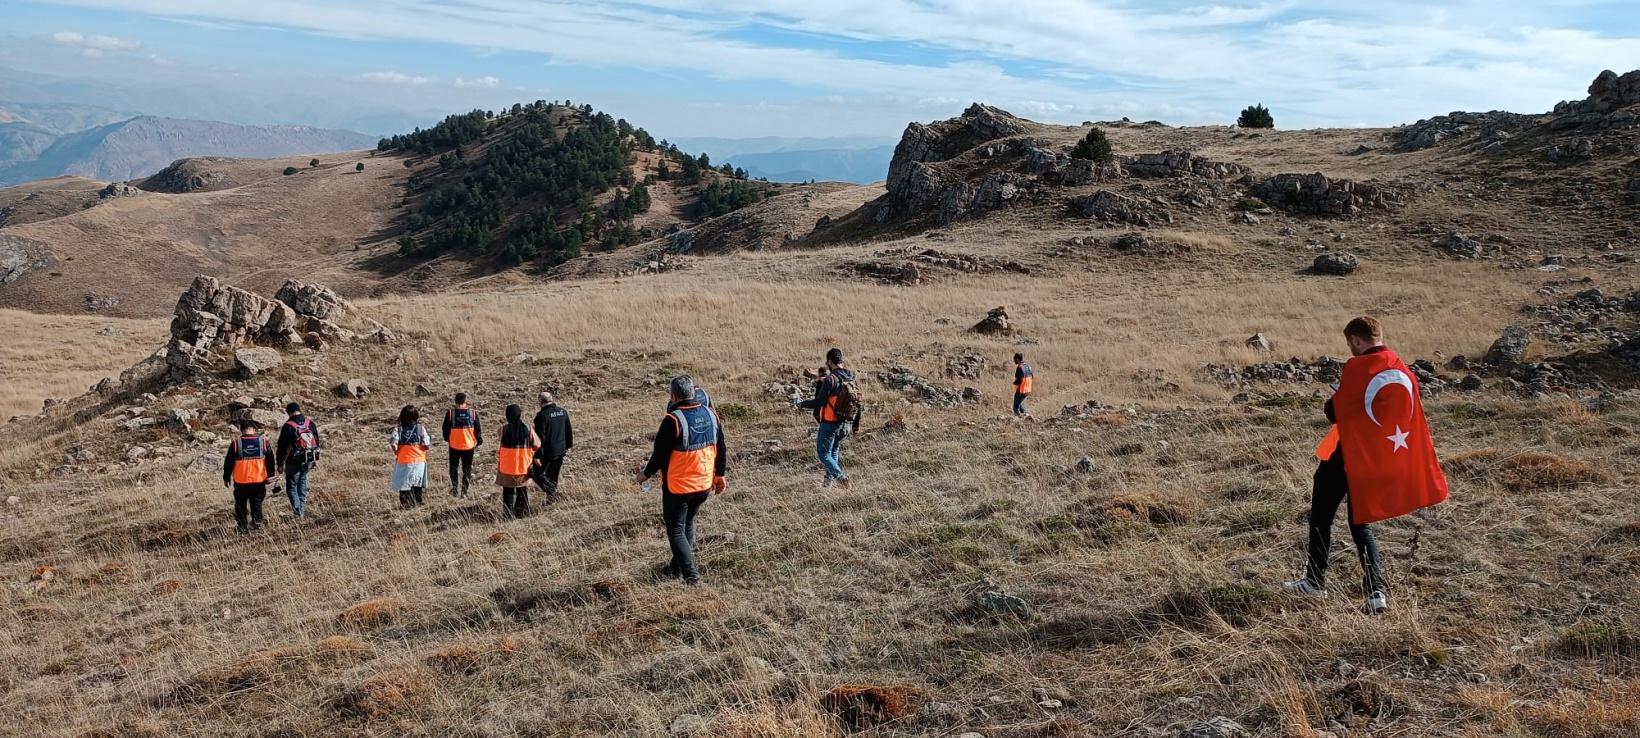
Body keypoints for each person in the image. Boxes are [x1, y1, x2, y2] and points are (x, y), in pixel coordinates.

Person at [1284, 317, 1450, 614]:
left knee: (1321, 516)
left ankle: (1314, 582)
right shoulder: (1403, 371)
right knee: (1361, 524)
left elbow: (1335, 412)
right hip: (1381, 458)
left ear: (1357, 340)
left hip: (1348, 456)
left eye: (1350, 344)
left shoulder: (1359, 368)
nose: (1350, 349)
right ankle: (1376, 593)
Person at [637, 376, 727, 585]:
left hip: (678, 487)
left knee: (676, 529)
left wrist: (645, 474)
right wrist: (719, 476)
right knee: (688, 523)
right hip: (704, 484)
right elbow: (721, 449)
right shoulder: (711, 414)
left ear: (673, 396)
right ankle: (675, 567)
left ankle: (691, 576)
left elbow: (659, 455)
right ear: (693, 393)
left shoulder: (673, 420)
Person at [796, 347, 862, 487]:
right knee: (833, 451)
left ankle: (841, 477)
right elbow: (858, 402)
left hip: (830, 422)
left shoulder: (831, 380)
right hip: (846, 423)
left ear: (830, 362)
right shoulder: (852, 378)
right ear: (841, 361)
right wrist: (856, 424)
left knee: (823, 454)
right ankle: (828, 484)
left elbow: (819, 402)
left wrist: (802, 404)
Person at [222, 418, 275, 533]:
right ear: (254, 430)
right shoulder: (263, 443)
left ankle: (242, 527)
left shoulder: (236, 444)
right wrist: (271, 476)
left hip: (241, 481)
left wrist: (226, 478)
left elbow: (228, 463)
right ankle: (257, 523)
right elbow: (270, 460)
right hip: (259, 480)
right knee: (256, 502)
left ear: (241, 431)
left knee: (240, 504)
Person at [496, 403, 541, 518]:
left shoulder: (502, 430)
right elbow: (537, 445)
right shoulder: (528, 428)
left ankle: (508, 515)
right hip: (523, 466)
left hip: (506, 467)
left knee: (508, 492)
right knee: (522, 491)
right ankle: (521, 513)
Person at [276, 402, 321, 517]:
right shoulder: (309, 423)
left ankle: (298, 511)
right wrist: (315, 459)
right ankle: (302, 507)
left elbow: (282, 446)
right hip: (309, 458)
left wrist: (280, 464)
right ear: (299, 410)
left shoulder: (288, 425)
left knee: (291, 486)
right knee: (302, 480)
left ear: (289, 412)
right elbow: (316, 441)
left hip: (293, 460)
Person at [532, 392, 574, 499]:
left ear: (540, 401)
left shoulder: (542, 416)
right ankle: (551, 500)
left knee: (536, 473)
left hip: (548, 452)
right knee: (553, 476)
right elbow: (568, 431)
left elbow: (540, 437)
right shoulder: (562, 412)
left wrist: (538, 455)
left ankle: (555, 494)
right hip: (561, 449)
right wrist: (568, 445)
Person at [441, 392, 482, 497]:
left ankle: (455, 489)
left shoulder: (450, 413)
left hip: (454, 445)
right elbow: (477, 428)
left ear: (455, 401)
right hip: (469, 446)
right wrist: (479, 440)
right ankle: (464, 492)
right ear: (465, 401)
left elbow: (445, 429)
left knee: (453, 468)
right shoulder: (473, 413)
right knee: (467, 469)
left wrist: (448, 439)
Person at [390, 405, 431, 508]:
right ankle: (418, 503)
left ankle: (405, 505)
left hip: (403, 460)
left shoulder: (398, 429)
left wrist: (397, 452)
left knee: (404, 485)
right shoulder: (421, 428)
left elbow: (393, 443)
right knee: (417, 484)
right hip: (419, 460)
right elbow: (426, 444)